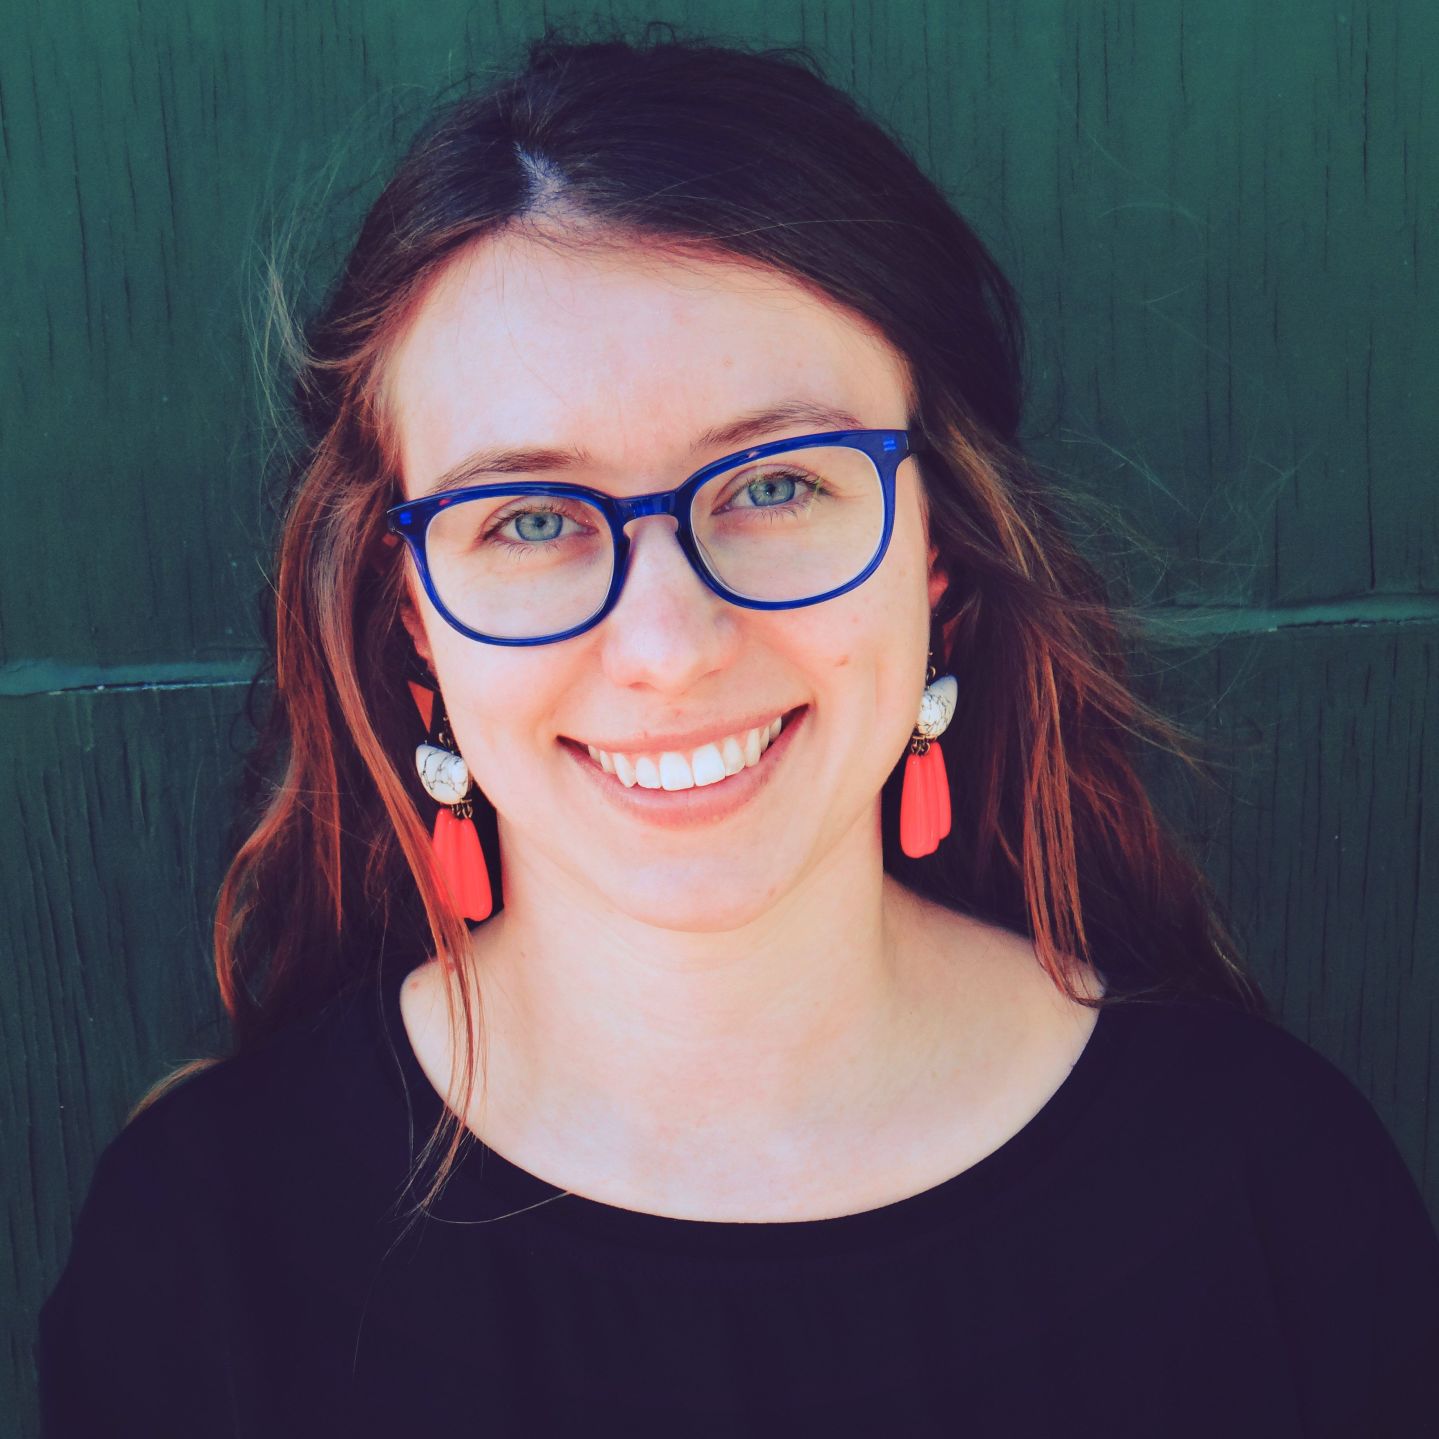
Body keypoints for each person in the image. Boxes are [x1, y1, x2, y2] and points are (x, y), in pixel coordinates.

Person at [35, 28, 1439, 1437]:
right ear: (411, 618)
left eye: (775, 486)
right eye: (529, 518)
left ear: (937, 551)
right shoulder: (205, 1258)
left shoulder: (1272, 1194)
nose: (669, 648)